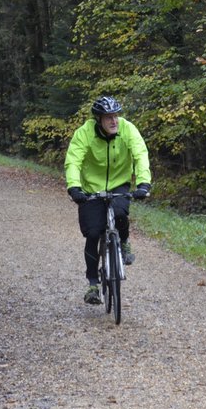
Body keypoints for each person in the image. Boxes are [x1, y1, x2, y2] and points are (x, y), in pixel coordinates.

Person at [64, 96, 152, 305]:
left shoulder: (128, 130)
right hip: (90, 189)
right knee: (93, 233)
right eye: (108, 118)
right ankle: (93, 285)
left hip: (119, 184)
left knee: (120, 213)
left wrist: (143, 184)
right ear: (98, 120)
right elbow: (74, 160)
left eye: (116, 116)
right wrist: (74, 187)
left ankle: (123, 241)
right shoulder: (84, 133)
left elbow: (140, 155)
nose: (114, 121)